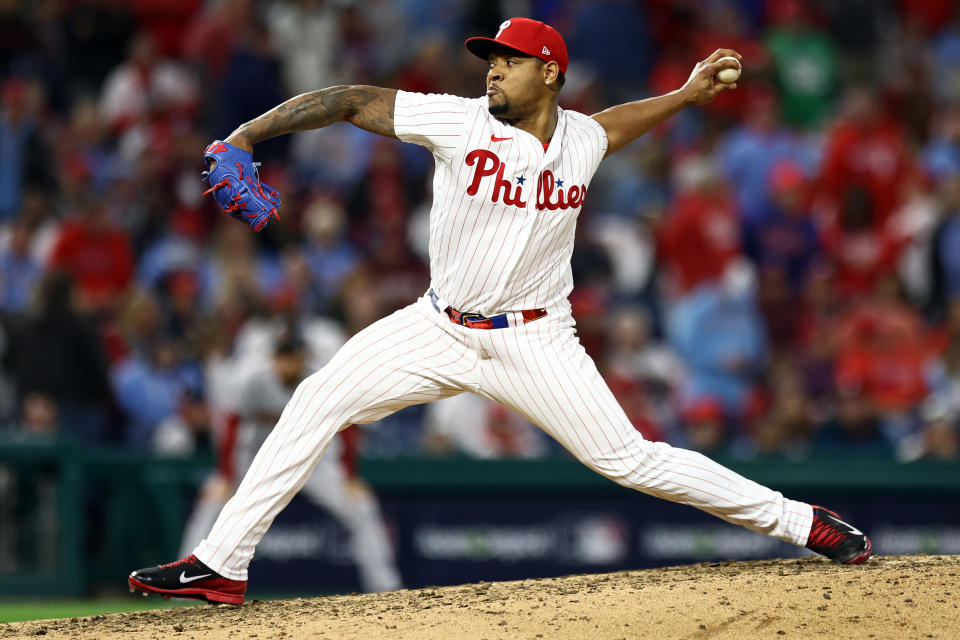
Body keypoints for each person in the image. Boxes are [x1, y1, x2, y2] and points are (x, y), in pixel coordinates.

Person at [129, 17, 871, 606]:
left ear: (549, 72)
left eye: (509, 59)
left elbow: (616, 124)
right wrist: (247, 135)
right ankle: (221, 564)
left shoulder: (580, 136)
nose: (493, 68)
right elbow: (353, 98)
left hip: (537, 341)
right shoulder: (457, 122)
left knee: (631, 459)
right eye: (491, 57)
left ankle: (802, 522)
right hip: (436, 326)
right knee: (316, 397)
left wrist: (683, 95)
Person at [175, 331, 401, 593]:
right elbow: (232, 424)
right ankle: (185, 587)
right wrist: (225, 476)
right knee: (211, 503)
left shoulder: (319, 380)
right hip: (259, 461)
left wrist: (350, 478)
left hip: (311, 461)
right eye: (282, 357)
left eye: (292, 357)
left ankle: (386, 587)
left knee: (361, 506)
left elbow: (348, 425)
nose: (287, 364)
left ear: (303, 357)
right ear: (274, 358)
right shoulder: (256, 382)